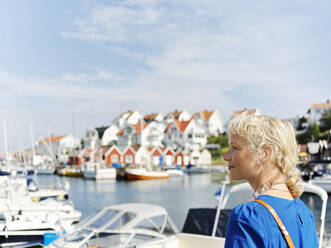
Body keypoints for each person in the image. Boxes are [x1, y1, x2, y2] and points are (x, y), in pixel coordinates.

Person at [223, 114, 318, 248]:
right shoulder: (305, 214)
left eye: (235, 147)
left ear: (265, 153)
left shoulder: (247, 217)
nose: (225, 156)